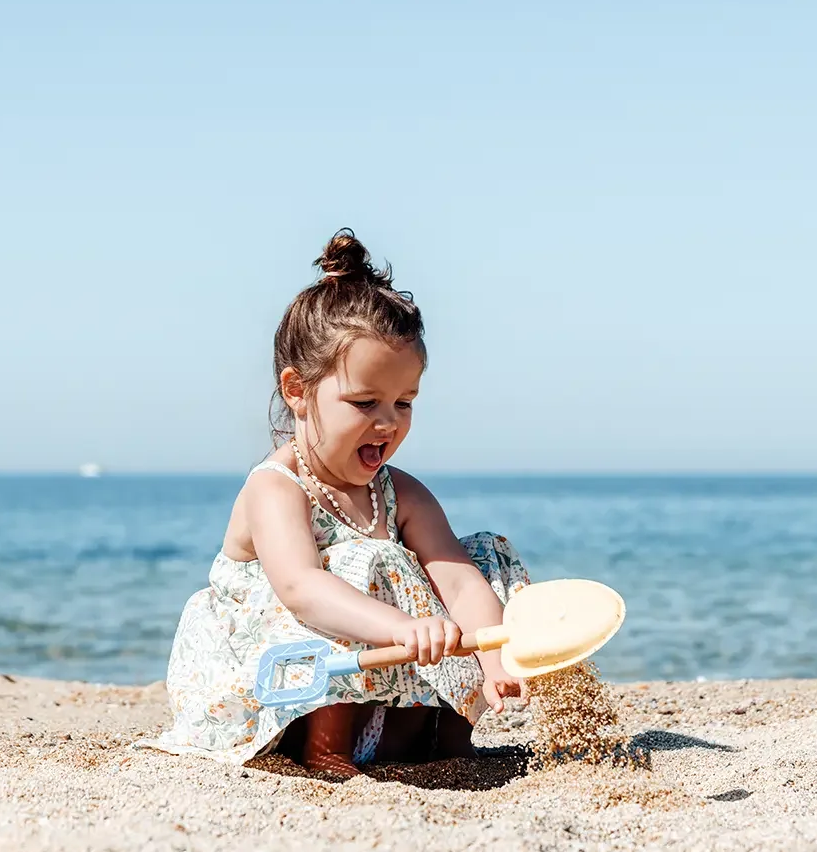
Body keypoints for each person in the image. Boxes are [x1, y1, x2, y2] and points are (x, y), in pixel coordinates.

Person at [148, 229, 532, 778]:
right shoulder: (276, 486)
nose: (388, 422)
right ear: (298, 391)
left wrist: (495, 656)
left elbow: (461, 582)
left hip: (378, 689)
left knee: (483, 558)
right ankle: (326, 750)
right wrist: (401, 626)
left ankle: (447, 738)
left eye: (404, 403)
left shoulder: (401, 493)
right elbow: (302, 589)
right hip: (281, 692)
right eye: (364, 402)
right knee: (359, 561)